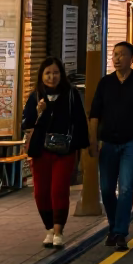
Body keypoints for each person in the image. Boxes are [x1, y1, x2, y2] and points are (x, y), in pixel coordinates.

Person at [88, 41, 133, 251]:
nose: (116, 59)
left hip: (132, 142)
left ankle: (120, 232)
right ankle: (114, 226)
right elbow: (94, 115)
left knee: (126, 188)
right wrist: (92, 140)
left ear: (131, 59)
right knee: (107, 189)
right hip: (107, 143)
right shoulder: (105, 83)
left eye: (121, 55)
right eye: (114, 55)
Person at [22, 56, 89, 249]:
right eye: (48, 73)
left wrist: (83, 148)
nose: (52, 77)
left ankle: (59, 231)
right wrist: (38, 110)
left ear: (61, 74)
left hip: (64, 151)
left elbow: (79, 121)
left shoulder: (71, 95)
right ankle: (49, 228)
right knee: (41, 193)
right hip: (40, 150)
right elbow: (26, 123)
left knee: (58, 190)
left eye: (56, 72)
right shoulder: (35, 96)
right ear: (42, 75)